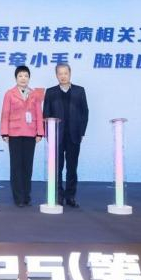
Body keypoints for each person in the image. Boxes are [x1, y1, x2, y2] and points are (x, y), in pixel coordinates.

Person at [42, 63, 89, 208]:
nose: (63, 76)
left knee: (72, 168)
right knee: (57, 168)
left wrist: (81, 132)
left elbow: (85, 113)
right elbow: (46, 114)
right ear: (56, 75)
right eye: (60, 73)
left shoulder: (80, 91)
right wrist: (48, 134)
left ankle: (70, 197)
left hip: (74, 135)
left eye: (65, 73)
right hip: (56, 136)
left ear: (70, 74)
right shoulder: (50, 92)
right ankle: (58, 196)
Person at [1, 65, 44, 207]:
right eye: (20, 76)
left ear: (29, 78)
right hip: (14, 134)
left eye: (26, 76)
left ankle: (26, 196)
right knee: (16, 166)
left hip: (30, 134)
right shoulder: (9, 93)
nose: (23, 78)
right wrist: (5, 132)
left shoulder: (35, 94)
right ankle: (18, 197)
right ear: (16, 78)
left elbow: (39, 114)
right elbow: (5, 114)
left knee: (28, 166)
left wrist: (40, 132)